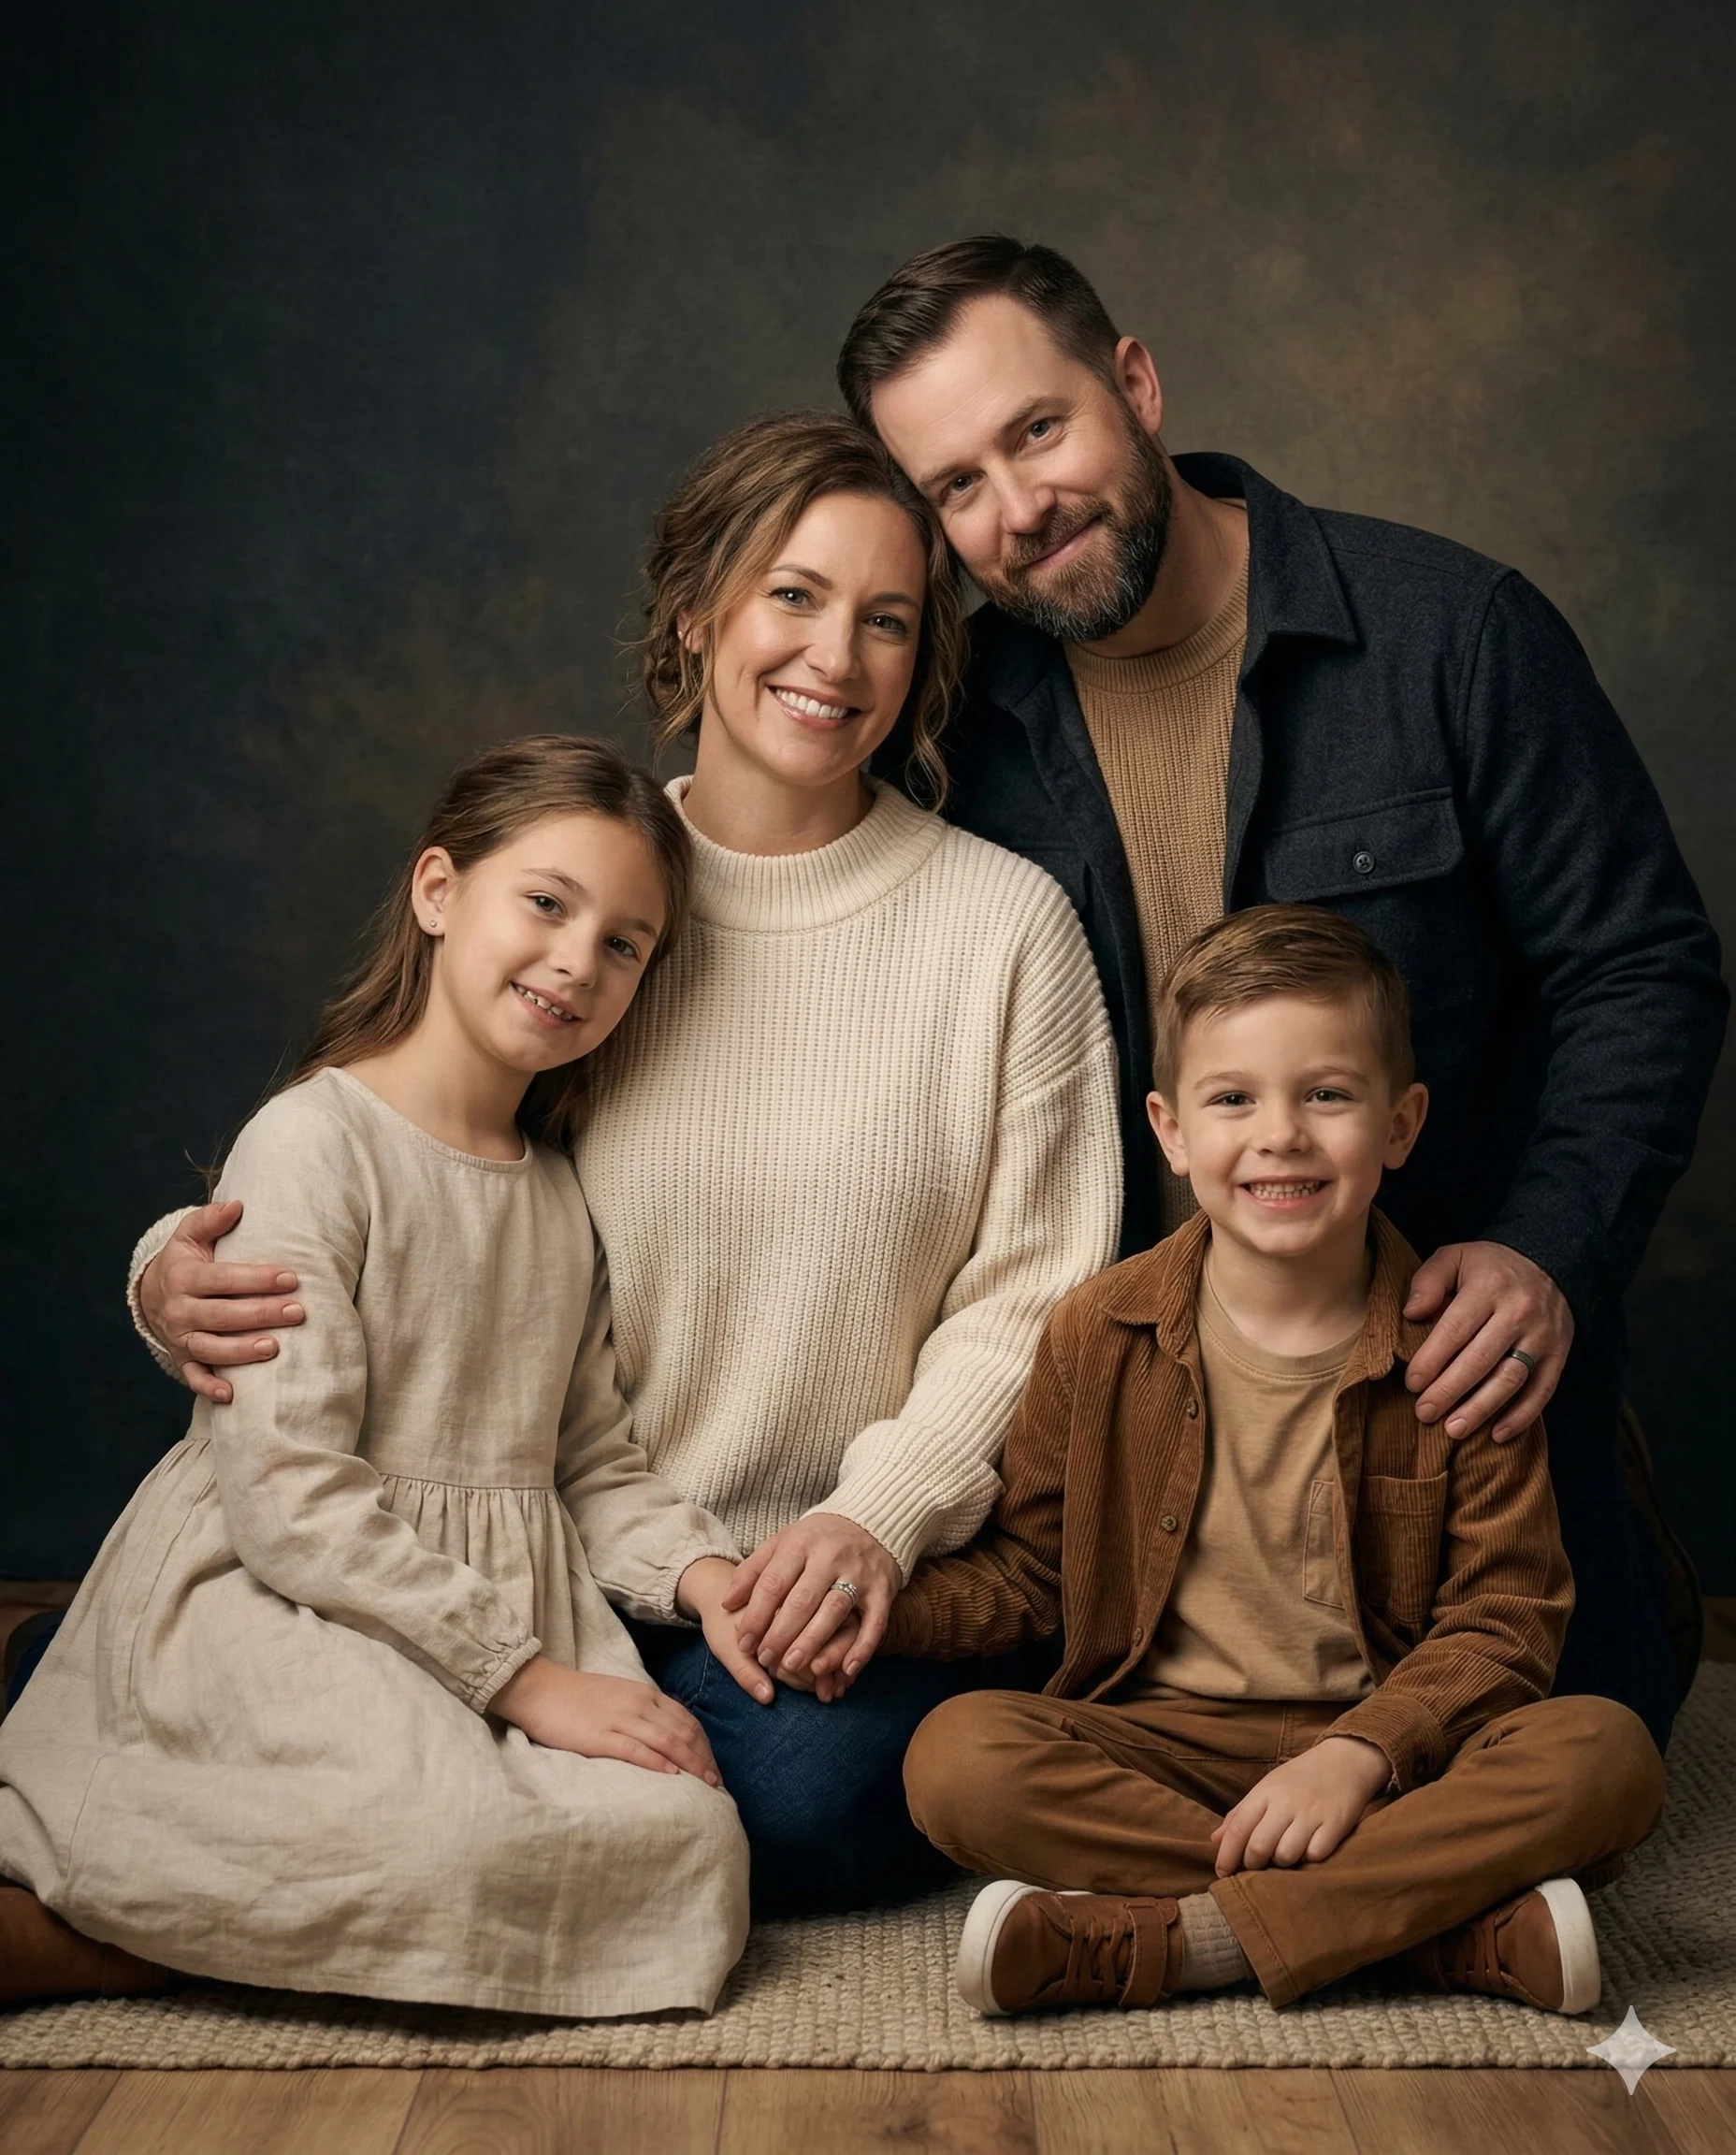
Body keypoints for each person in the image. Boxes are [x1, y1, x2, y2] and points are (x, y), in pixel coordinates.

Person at [116, 414, 1123, 1913]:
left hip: (808, 1588)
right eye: (792, 595)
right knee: (352, 1729)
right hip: (522, 1549)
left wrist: (880, 1514)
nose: (834, 658)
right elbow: (404, 1143)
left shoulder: (1004, 928)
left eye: (889, 620)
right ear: (697, 615)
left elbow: (1037, 1291)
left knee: (772, 1813)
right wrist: (173, 1266)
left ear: (925, 662)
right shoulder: (590, 897)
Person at [837, 236, 1728, 1746]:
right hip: (1137, 1442)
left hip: (1438, 1410)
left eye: (1037, 429)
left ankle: (1597, 1502)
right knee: (940, 1769)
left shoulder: (1451, 631)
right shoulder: (949, 735)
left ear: (1135, 381)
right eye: (954, 486)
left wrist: (1543, 1250)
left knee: (1577, 1741)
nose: (1017, 507)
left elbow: (1639, 964)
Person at [0, 736, 755, 2016]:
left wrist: (699, 1574)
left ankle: (188, 1913)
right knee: (449, 1834)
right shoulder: (314, 1141)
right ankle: (72, 1936)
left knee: (692, 1841)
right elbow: (290, 1495)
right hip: (298, 1592)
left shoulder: (558, 1197)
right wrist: (528, 1682)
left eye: (626, 944)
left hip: (496, 1601)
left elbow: (585, 1462)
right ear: (439, 893)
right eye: (548, 903)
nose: (579, 961)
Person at [889, 906, 1667, 2019]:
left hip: (1400, 1751)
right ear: (1167, 1129)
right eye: (1232, 1098)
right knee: (959, 1759)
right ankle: (1434, 1933)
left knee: (1603, 1753)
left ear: (1399, 1124)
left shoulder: (1457, 1342)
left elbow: (1505, 1620)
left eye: (1327, 1095)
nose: (1280, 1135)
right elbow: (1028, 1575)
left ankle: (1180, 1944)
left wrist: (1359, 1753)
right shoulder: (1095, 1332)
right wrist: (878, 1606)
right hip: (1165, 1743)